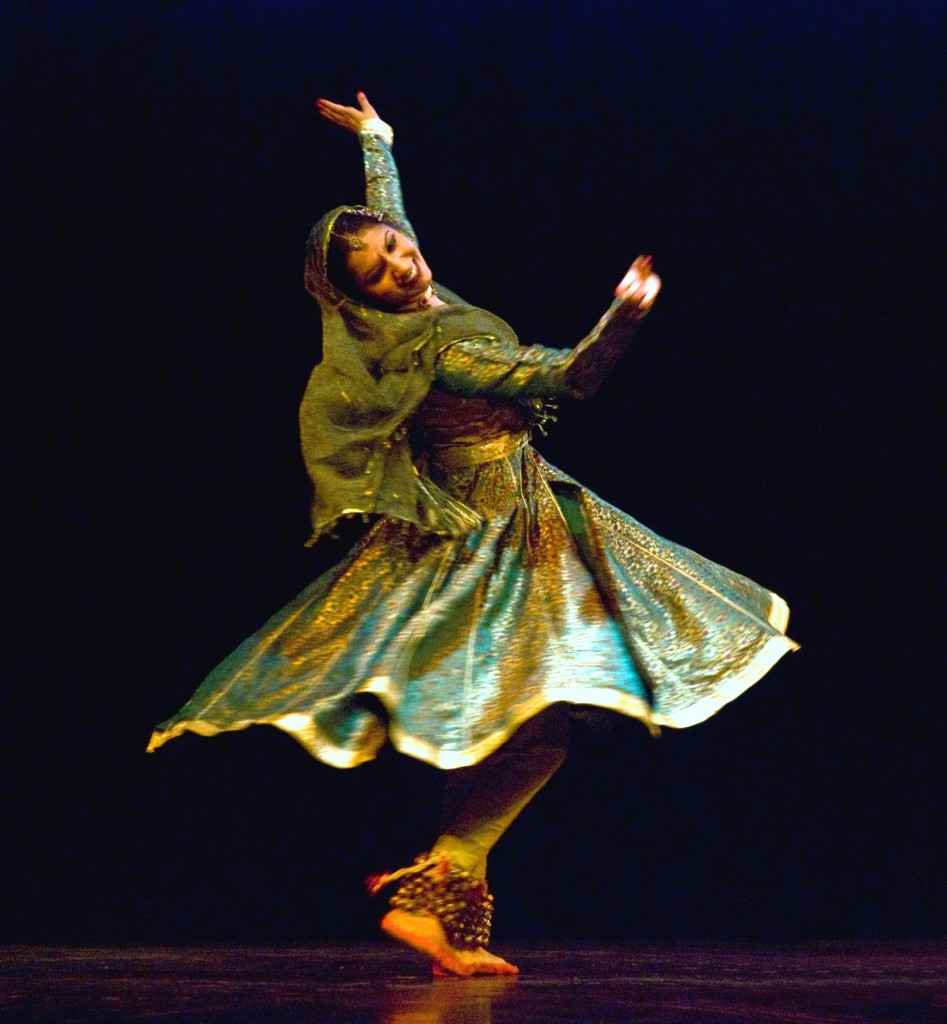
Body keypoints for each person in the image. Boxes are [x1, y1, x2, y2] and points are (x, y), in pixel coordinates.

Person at [148, 92, 798, 977]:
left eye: (396, 247)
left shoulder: (402, 312)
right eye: (378, 267)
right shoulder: (438, 348)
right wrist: (624, 320)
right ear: (358, 297)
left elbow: (397, 219)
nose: (403, 263)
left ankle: (446, 915)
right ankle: (442, 877)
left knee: (496, 725)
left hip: (502, 508)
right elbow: (565, 380)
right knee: (541, 725)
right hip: (495, 532)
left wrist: (378, 144)